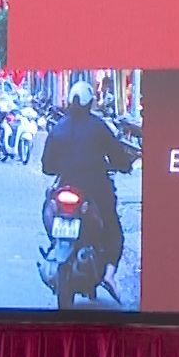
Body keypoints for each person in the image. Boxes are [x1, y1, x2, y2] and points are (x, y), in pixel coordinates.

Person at [40, 81, 133, 281]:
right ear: (90, 102)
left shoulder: (58, 128)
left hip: (65, 185)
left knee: (48, 206)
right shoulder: (99, 127)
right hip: (96, 187)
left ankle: (55, 245)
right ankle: (109, 274)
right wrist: (124, 165)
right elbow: (118, 156)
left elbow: (46, 166)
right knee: (111, 225)